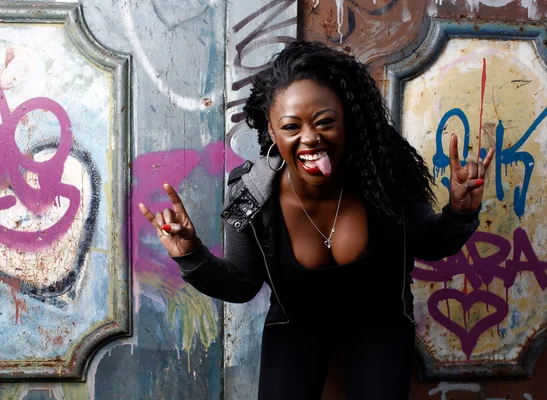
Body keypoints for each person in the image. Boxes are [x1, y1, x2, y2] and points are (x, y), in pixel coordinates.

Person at [138, 40, 494, 400]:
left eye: (325, 122)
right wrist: (191, 255)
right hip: (297, 324)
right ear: (272, 132)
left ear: (347, 122)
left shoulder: (385, 175)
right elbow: (242, 284)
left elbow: (431, 244)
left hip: (380, 323)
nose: (310, 138)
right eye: (291, 127)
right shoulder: (250, 195)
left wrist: (459, 213)